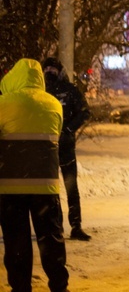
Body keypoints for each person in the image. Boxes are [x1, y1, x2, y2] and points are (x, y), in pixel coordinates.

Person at [0, 59, 70, 292]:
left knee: (17, 243)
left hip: (11, 187)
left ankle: (21, 288)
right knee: (51, 239)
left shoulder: (3, 104)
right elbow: (56, 132)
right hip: (45, 186)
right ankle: (59, 285)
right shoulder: (53, 105)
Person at [42, 57, 92, 241]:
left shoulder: (69, 91)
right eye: (46, 68)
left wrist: (69, 129)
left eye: (53, 68)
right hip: (47, 148)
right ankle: (56, 227)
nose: (49, 71)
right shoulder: (41, 91)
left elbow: (85, 112)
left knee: (71, 188)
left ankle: (76, 226)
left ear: (59, 71)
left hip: (66, 148)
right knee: (51, 190)